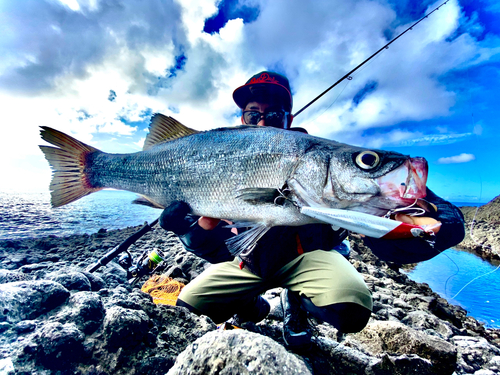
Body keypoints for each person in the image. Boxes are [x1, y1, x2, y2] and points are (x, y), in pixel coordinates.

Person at [159, 71, 466, 349]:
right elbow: (221, 250)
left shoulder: (323, 159)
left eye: (275, 114)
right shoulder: (221, 162)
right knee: (187, 306)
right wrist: (194, 235)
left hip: (307, 260)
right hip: (248, 264)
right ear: (243, 119)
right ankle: (252, 305)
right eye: (253, 114)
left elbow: (440, 214)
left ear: (288, 120)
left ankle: (297, 298)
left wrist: (430, 223)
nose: (263, 122)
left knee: (352, 308)